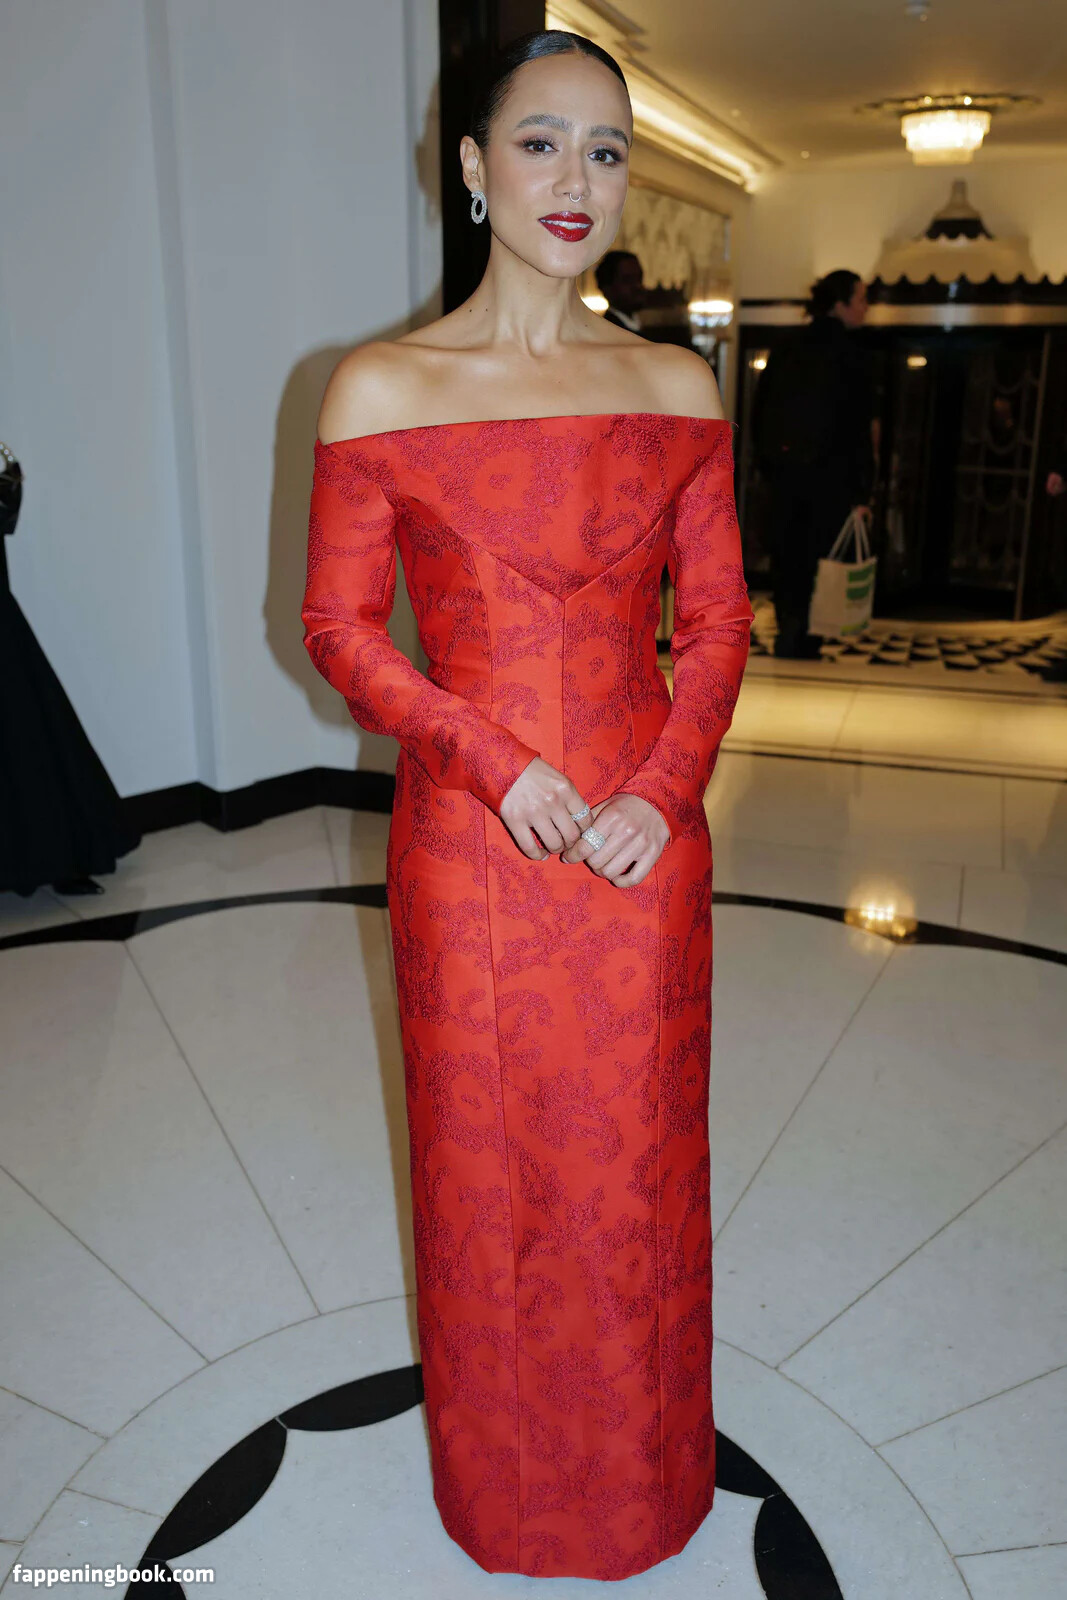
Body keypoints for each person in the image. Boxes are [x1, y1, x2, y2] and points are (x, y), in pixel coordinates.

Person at [301, 29, 753, 1582]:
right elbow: (339, 630)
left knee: (637, 1175)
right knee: (487, 1172)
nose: (576, 179)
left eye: (606, 151)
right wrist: (492, 760)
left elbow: (716, 625)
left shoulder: (672, 383)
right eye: (541, 142)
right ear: (471, 168)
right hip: (466, 846)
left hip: (641, 847)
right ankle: (501, 1496)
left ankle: (641, 1486)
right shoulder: (377, 388)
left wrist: (662, 788)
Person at [752, 268, 875, 658]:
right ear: (840, 303)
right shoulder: (853, 354)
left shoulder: (787, 347)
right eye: (861, 299)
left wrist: (769, 466)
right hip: (831, 479)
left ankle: (789, 632)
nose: (866, 308)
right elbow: (858, 429)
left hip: (786, 475)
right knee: (819, 558)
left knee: (788, 557)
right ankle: (806, 637)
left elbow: (761, 413)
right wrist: (863, 490)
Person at [594, 246, 646, 332]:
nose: (638, 286)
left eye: (639, 279)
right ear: (607, 288)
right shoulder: (609, 332)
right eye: (628, 280)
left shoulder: (637, 326)